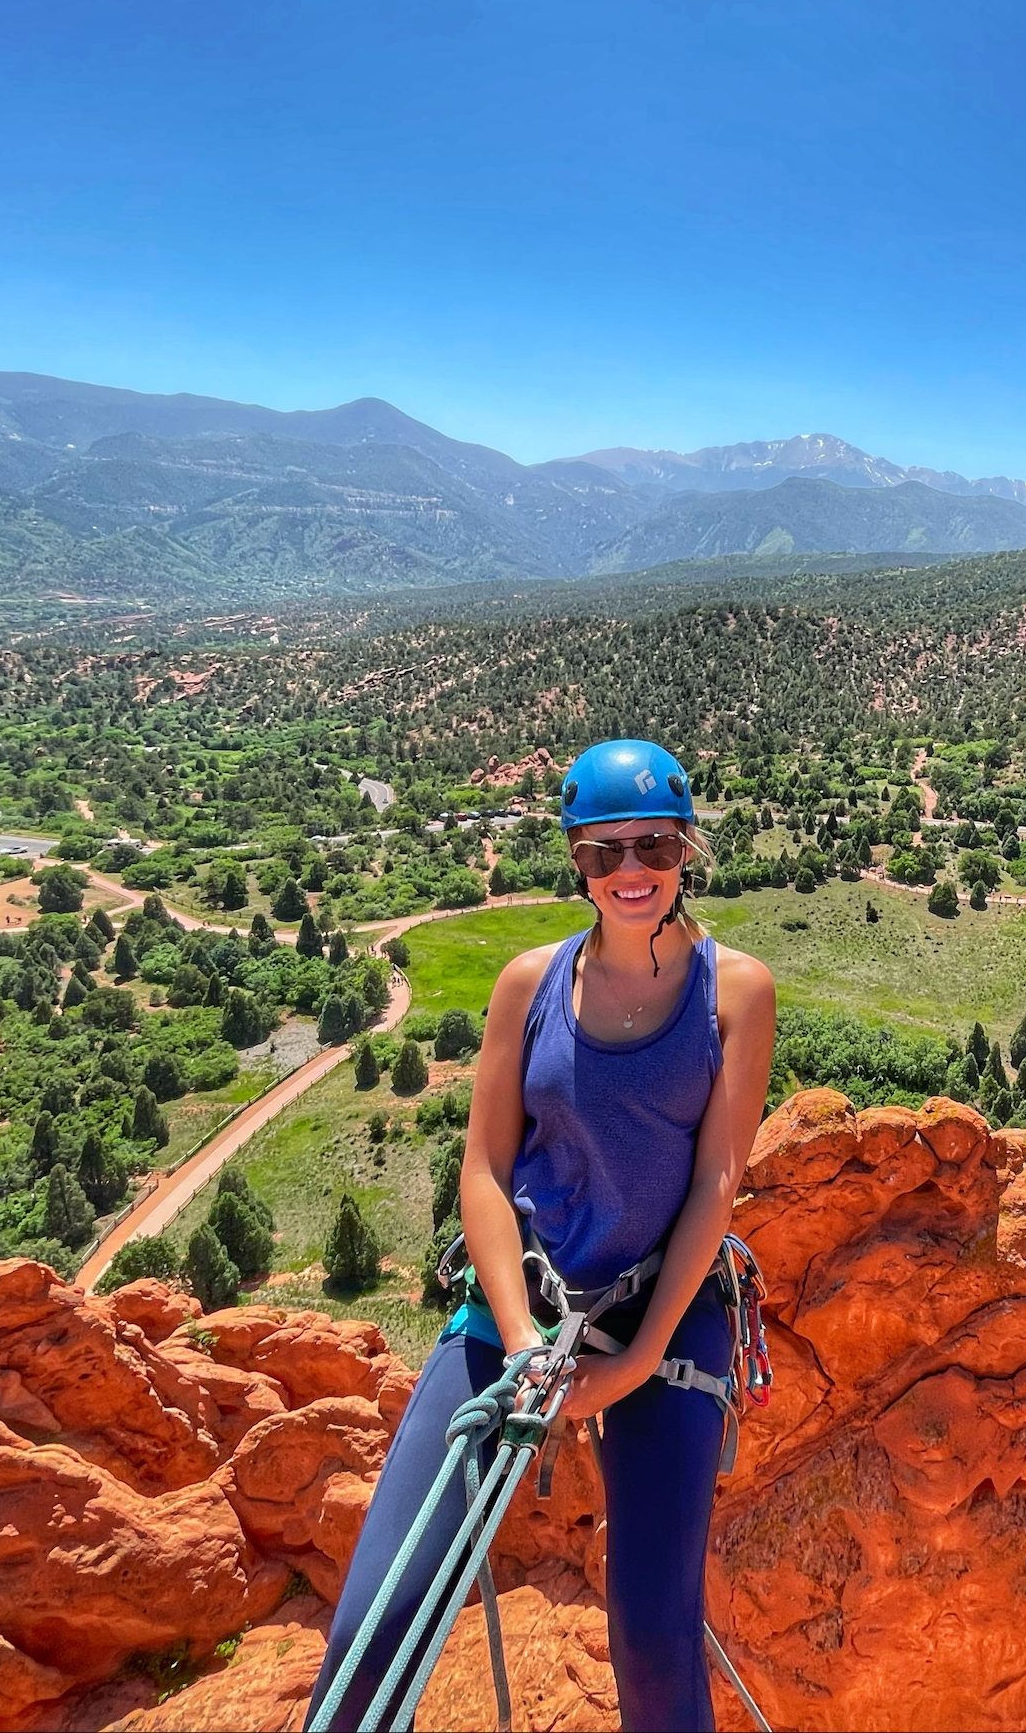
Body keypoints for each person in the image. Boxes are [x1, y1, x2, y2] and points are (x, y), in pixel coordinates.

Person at [309, 739, 775, 1732]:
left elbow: (716, 1180)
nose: (630, 872)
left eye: (651, 846)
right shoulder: (528, 983)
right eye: (603, 853)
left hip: (664, 1307)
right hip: (520, 1296)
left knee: (653, 1634)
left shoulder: (735, 991)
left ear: (684, 849)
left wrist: (642, 1357)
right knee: (373, 1626)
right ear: (575, 862)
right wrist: (519, 1335)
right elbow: (481, 1166)